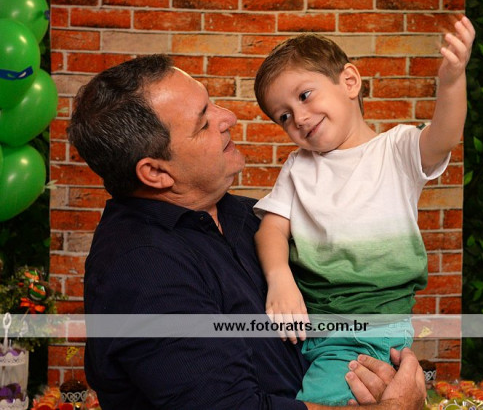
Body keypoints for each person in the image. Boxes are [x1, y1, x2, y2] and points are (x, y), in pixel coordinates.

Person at [67, 54, 427, 409]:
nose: (228, 117)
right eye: (203, 122)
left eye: (212, 103)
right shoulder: (141, 269)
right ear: (157, 173)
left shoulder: (245, 216)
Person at [252, 16, 475, 405]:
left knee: (317, 402)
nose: (298, 118)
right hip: (313, 327)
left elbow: (444, 136)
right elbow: (271, 229)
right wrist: (279, 277)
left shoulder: (396, 150)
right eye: (283, 116)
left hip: (366, 330)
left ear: (350, 82)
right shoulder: (298, 166)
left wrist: (452, 81)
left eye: (304, 95)